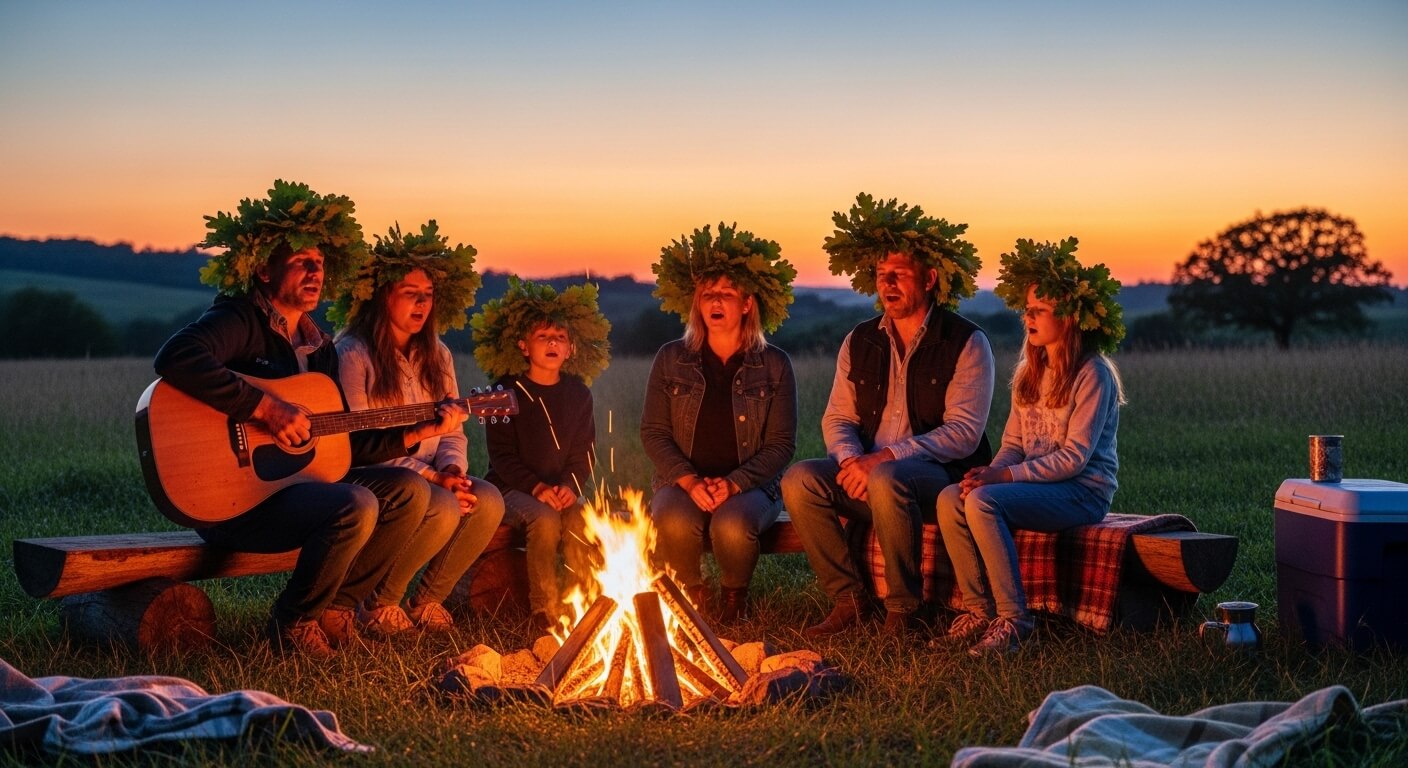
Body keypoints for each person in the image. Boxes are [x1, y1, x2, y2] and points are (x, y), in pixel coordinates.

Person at [153, 181, 465, 657]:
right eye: (301, 261)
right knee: (355, 503)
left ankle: (341, 607)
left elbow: (345, 446)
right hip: (233, 501)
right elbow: (176, 356)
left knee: (407, 490)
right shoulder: (241, 320)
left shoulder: (318, 347)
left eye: (320, 264)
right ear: (263, 268)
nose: (315, 271)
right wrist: (265, 408)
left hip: (289, 489)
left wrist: (418, 432)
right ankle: (293, 621)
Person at [782, 193, 994, 639]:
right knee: (799, 481)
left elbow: (964, 434)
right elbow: (838, 417)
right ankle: (849, 600)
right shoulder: (860, 340)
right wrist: (848, 461)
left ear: (931, 278)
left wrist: (884, 460)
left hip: (940, 478)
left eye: (900, 274)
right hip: (866, 472)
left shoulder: (966, 341)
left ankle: (904, 611)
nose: (888, 283)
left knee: (887, 477)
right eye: (882, 275)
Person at [936, 237, 1126, 655]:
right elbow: (1014, 445)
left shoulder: (1092, 374)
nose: (1028, 318)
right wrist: (987, 473)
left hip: (1082, 492)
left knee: (985, 503)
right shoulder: (1030, 372)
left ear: (1070, 318)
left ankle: (1015, 619)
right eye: (1027, 309)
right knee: (953, 497)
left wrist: (1002, 478)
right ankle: (978, 609)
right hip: (1039, 486)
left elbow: (1075, 458)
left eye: (1039, 311)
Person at [331, 221, 505, 635]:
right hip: (374, 473)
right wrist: (432, 477)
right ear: (382, 297)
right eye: (410, 294)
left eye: (427, 296)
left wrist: (456, 472)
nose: (421, 304)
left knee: (489, 500)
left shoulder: (437, 353)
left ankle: (427, 600)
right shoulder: (353, 353)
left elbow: (453, 430)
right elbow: (358, 439)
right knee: (441, 503)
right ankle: (379, 603)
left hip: (433, 475)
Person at [643, 223, 798, 623]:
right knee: (674, 518)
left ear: (746, 304)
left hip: (751, 486)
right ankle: (693, 597)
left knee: (731, 525)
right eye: (708, 294)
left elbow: (781, 445)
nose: (716, 301)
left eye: (727, 293)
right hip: (681, 482)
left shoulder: (775, 364)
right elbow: (654, 433)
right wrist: (691, 482)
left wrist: (732, 484)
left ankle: (733, 601)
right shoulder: (670, 358)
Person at [472, 277, 611, 632]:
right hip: (511, 489)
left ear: (571, 349)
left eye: (560, 338)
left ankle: (585, 602)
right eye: (542, 337)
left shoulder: (579, 394)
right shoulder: (506, 391)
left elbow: (584, 452)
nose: (552, 343)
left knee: (581, 519)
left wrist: (570, 486)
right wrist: (536, 488)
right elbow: (501, 456)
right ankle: (542, 611)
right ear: (523, 346)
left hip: (559, 489)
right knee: (545, 520)